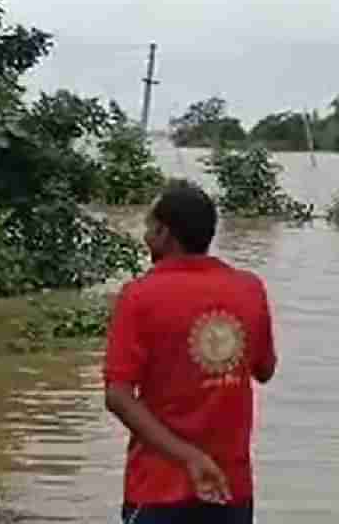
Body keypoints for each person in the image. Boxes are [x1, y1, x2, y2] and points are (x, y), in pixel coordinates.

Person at [104, 179, 277, 524]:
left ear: (164, 234)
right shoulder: (249, 289)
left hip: (157, 486)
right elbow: (264, 369)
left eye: (149, 227)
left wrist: (188, 457)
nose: (146, 236)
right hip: (230, 484)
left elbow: (118, 397)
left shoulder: (139, 296)